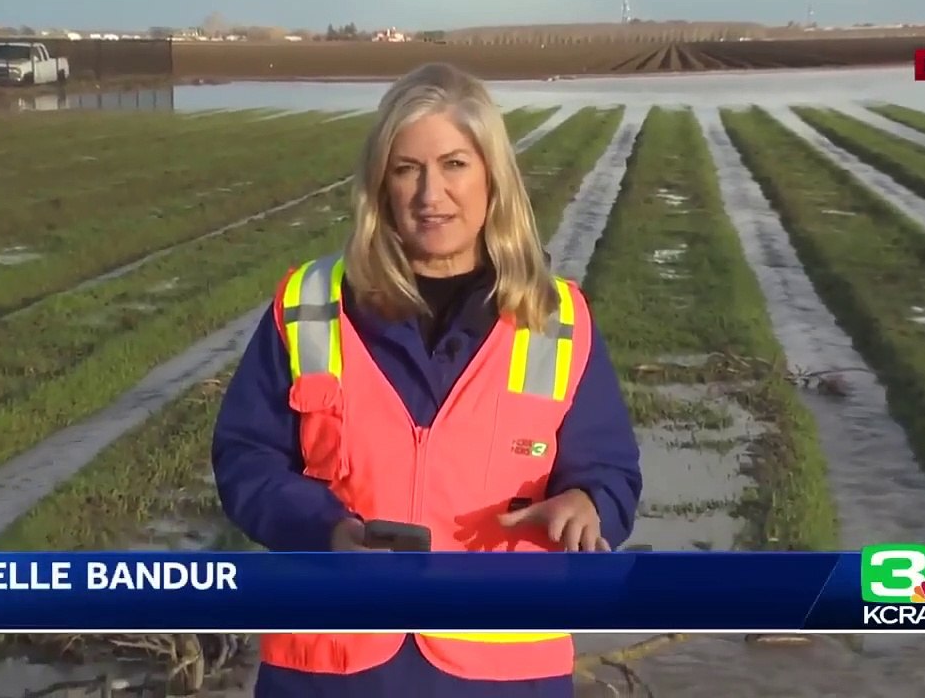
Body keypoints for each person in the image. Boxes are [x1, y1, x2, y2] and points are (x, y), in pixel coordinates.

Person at [211, 62, 643, 698]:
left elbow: (610, 471)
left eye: (454, 165)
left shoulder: (556, 320)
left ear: (492, 176)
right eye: (406, 169)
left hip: (502, 674)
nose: (429, 194)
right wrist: (325, 529)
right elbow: (246, 458)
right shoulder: (309, 305)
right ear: (380, 185)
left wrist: (589, 504)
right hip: (330, 668)